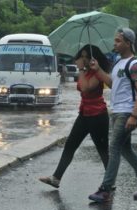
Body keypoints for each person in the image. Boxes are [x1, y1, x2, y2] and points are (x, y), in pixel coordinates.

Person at [88, 27, 137, 203]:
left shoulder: (135, 65)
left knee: (114, 148)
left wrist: (134, 115)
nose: (115, 43)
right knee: (125, 149)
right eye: (115, 40)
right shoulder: (118, 63)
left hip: (128, 112)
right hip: (117, 111)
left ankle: (105, 190)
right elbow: (113, 84)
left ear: (128, 42)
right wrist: (97, 70)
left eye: (118, 41)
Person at [39, 44, 111, 188]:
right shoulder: (86, 72)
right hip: (84, 113)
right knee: (70, 145)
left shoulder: (97, 72)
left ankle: (110, 181)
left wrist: (81, 69)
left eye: (86, 56)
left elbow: (85, 87)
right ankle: (56, 178)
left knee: (102, 150)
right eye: (81, 56)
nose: (83, 59)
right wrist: (83, 70)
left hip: (98, 115)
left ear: (93, 58)